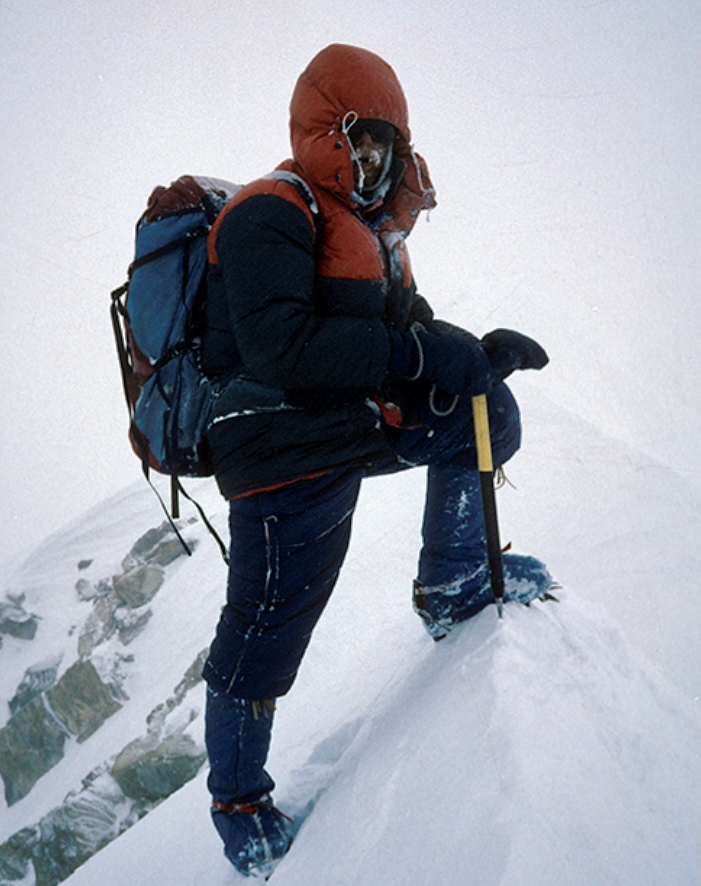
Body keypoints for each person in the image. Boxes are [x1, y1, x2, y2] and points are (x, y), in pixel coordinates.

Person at [198, 43, 552, 877]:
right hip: (277, 448)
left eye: (384, 147)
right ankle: (239, 805)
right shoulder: (268, 213)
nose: (372, 161)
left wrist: (473, 354)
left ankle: (453, 583)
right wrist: (420, 358)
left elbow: (409, 331)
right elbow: (281, 347)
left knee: (483, 413)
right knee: (264, 632)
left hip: (348, 425)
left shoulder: (368, 229)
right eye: (360, 143)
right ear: (326, 134)